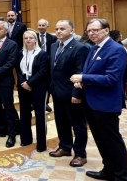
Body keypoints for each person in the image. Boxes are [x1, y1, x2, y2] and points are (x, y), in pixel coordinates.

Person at [70, 18, 127, 180]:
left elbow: (111, 78)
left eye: (95, 30)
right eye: (89, 31)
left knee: (112, 141)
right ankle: (108, 170)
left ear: (106, 30)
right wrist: (82, 81)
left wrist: (83, 77)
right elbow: (91, 71)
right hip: (91, 102)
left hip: (106, 104)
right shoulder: (94, 48)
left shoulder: (116, 49)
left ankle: (122, 176)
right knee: (100, 140)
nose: (91, 33)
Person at [49, 20, 89, 167]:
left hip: (72, 95)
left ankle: (80, 154)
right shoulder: (54, 46)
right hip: (57, 93)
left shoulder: (80, 48)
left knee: (78, 125)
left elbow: (80, 73)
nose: (58, 31)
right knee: (61, 122)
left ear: (72, 31)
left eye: (62, 29)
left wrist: (77, 94)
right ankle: (65, 147)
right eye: (56, 28)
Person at [16, 30, 49, 152]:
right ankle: (26, 140)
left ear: (36, 39)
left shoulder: (42, 54)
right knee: (24, 114)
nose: (28, 40)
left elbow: (43, 72)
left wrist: (30, 83)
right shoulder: (21, 53)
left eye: (31, 38)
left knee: (40, 115)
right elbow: (18, 70)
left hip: (38, 87)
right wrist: (23, 83)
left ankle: (41, 144)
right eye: (26, 38)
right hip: (23, 87)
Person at [37, 18, 57, 112]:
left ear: (47, 26)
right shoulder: (34, 36)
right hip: (36, 64)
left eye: (43, 25)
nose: (41, 27)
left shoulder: (52, 38)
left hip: (48, 65)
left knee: (47, 84)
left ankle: (46, 103)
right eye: (39, 25)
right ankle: (35, 102)